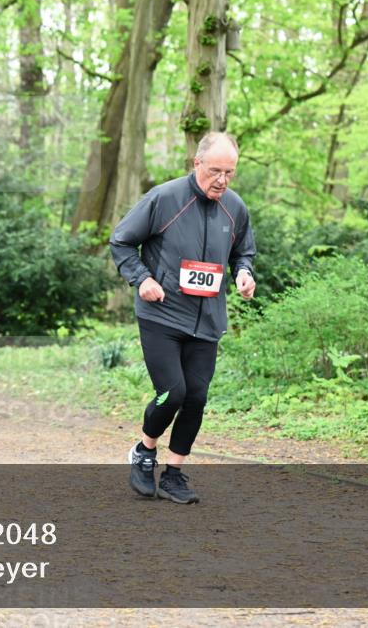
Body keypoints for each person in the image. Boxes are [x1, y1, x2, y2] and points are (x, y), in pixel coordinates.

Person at [110, 132, 256, 504]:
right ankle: (145, 451)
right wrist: (141, 279)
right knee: (172, 392)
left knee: (196, 397)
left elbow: (243, 252)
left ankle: (174, 473)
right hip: (162, 314)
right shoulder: (165, 198)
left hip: (207, 321)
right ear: (197, 164)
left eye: (230, 173)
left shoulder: (235, 208)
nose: (221, 180)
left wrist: (244, 273)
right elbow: (122, 240)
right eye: (215, 171)